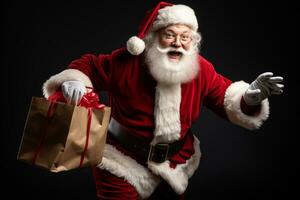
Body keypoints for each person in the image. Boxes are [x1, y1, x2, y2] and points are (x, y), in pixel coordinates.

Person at [42, 2, 284, 199]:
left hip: (174, 163)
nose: (178, 43)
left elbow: (225, 97)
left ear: (194, 42)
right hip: (121, 161)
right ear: (153, 38)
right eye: (170, 35)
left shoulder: (202, 69)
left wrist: (250, 97)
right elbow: (89, 66)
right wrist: (74, 80)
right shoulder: (125, 62)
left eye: (185, 37)